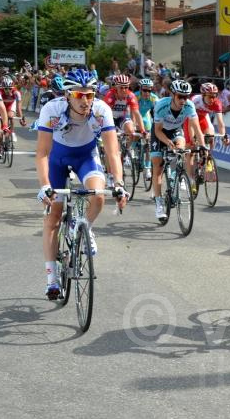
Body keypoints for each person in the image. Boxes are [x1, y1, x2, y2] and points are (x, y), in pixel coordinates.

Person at [36, 69, 128, 298]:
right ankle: (52, 279)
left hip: (87, 157)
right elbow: (42, 153)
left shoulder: (101, 110)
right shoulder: (52, 110)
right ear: (67, 95)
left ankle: (85, 227)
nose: (86, 100)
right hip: (57, 159)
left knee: (98, 194)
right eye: (79, 95)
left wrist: (119, 183)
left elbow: (112, 152)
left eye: (90, 94)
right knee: (53, 216)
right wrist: (45, 185)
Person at [150, 79, 205, 220]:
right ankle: (159, 202)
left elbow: (197, 128)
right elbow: (158, 130)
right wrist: (167, 142)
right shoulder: (161, 106)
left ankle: (177, 175)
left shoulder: (189, 106)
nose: (183, 100)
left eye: (186, 97)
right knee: (158, 165)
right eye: (180, 96)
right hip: (160, 132)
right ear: (173, 94)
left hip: (175, 130)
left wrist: (203, 145)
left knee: (180, 149)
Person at [103, 74, 146, 150]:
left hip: (122, 118)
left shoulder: (130, 96)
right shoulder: (110, 96)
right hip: (110, 118)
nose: (124, 90)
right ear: (116, 87)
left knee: (131, 130)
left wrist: (143, 130)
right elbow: (105, 114)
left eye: (126, 87)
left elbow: (136, 113)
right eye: (121, 88)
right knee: (113, 142)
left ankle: (127, 151)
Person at [135, 78, 158, 179]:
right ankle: (132, 153)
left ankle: (147, 168)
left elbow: (157, 114)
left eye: (149, 90)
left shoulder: (154, 98)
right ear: (140, 89)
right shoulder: (135, 96)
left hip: (146, 118)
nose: (147, 93)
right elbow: (130, 111)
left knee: (148, 144)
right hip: (134, 117)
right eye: (144, 90)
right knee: (134, 136)